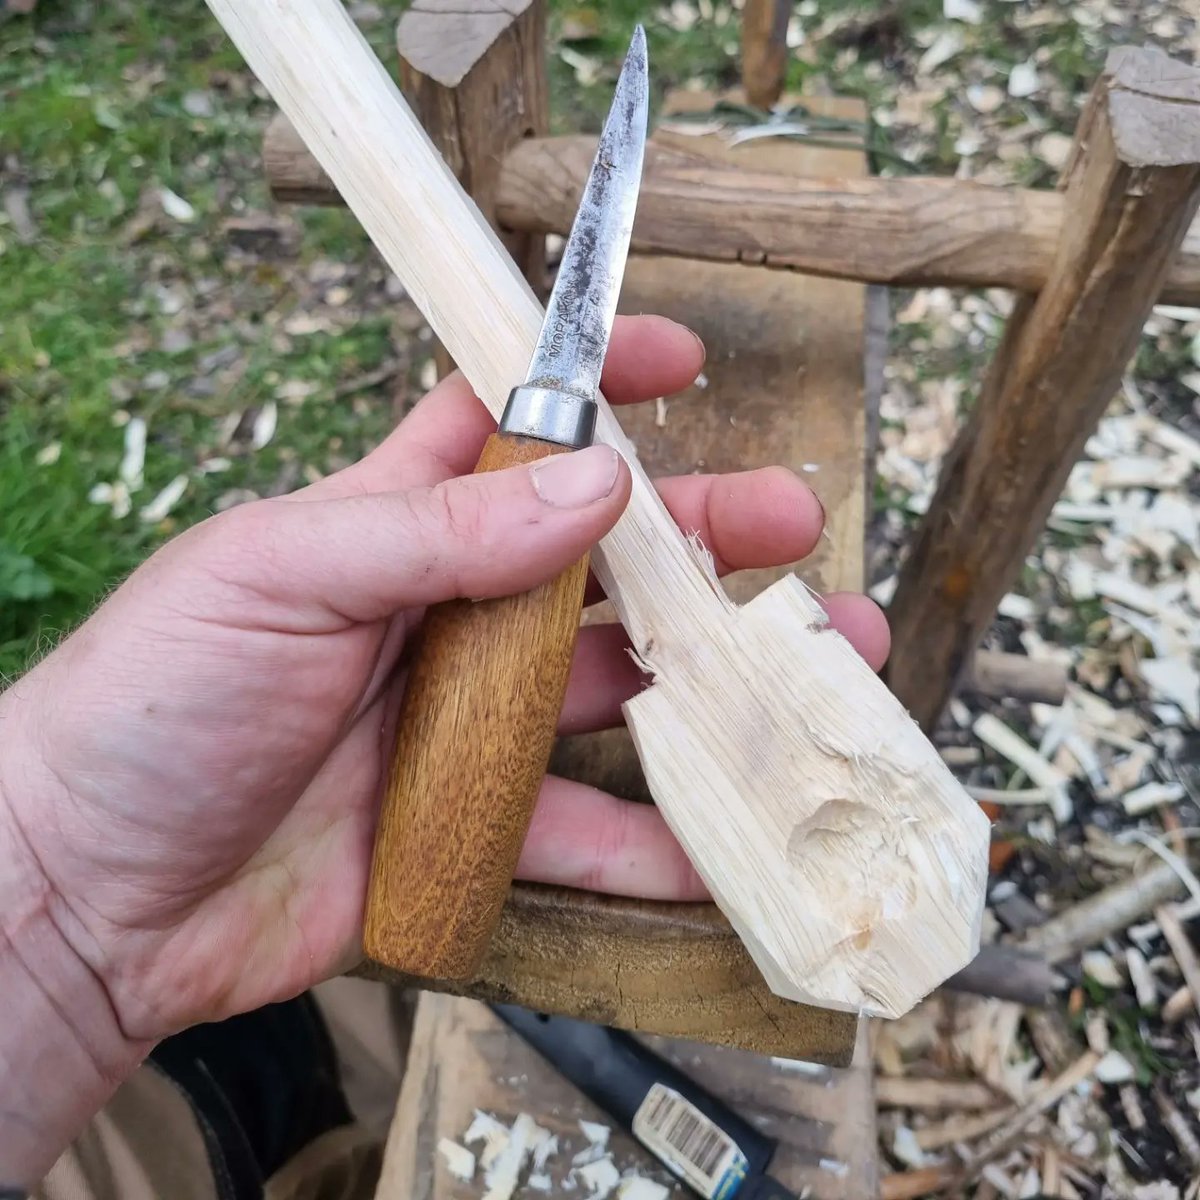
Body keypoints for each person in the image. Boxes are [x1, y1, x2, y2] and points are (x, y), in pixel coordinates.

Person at [0, 315, 889, 1198]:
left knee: (359, 1073)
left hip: (181, 1057)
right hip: (164, 1093)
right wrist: (49, 901)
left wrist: (51, 891)